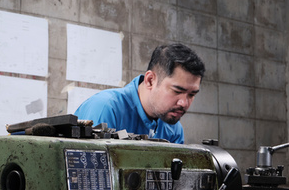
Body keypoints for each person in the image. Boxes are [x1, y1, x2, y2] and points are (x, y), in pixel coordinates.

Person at [74, 43, 204, 144]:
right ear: (150, 80)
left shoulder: (173, 129)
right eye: (177, 91)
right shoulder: (105, 108)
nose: (184, 103)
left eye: (192, 95)